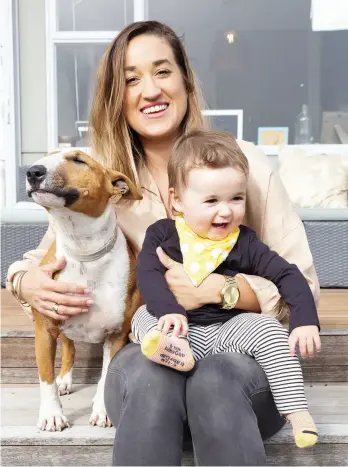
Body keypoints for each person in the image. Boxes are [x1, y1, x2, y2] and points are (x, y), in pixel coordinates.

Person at [6, 21, 320, 466]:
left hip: (243, 368)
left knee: (216, 377)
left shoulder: (245, 163)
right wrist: (27, 282)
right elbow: (39, 261)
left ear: (186, 82)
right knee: (149, 375)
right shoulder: (104, 180)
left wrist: (223, 291)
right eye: (131, 79)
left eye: (162, 72)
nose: (149, 90)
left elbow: (302, 280)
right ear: (118, 96)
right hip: (150, 373)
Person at [132, 129, 320, 449]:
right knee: (143, 316)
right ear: (177, 200)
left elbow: (288, 275)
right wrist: (170, 311)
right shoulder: (164, 234)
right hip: (179, 330)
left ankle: (297, 412)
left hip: (227, 331)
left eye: (236, 198)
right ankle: (173, 352)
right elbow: (148, 274)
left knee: (269, 329)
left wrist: (304, 319)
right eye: (211, 201)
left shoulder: (243, 241)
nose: (225, 211)